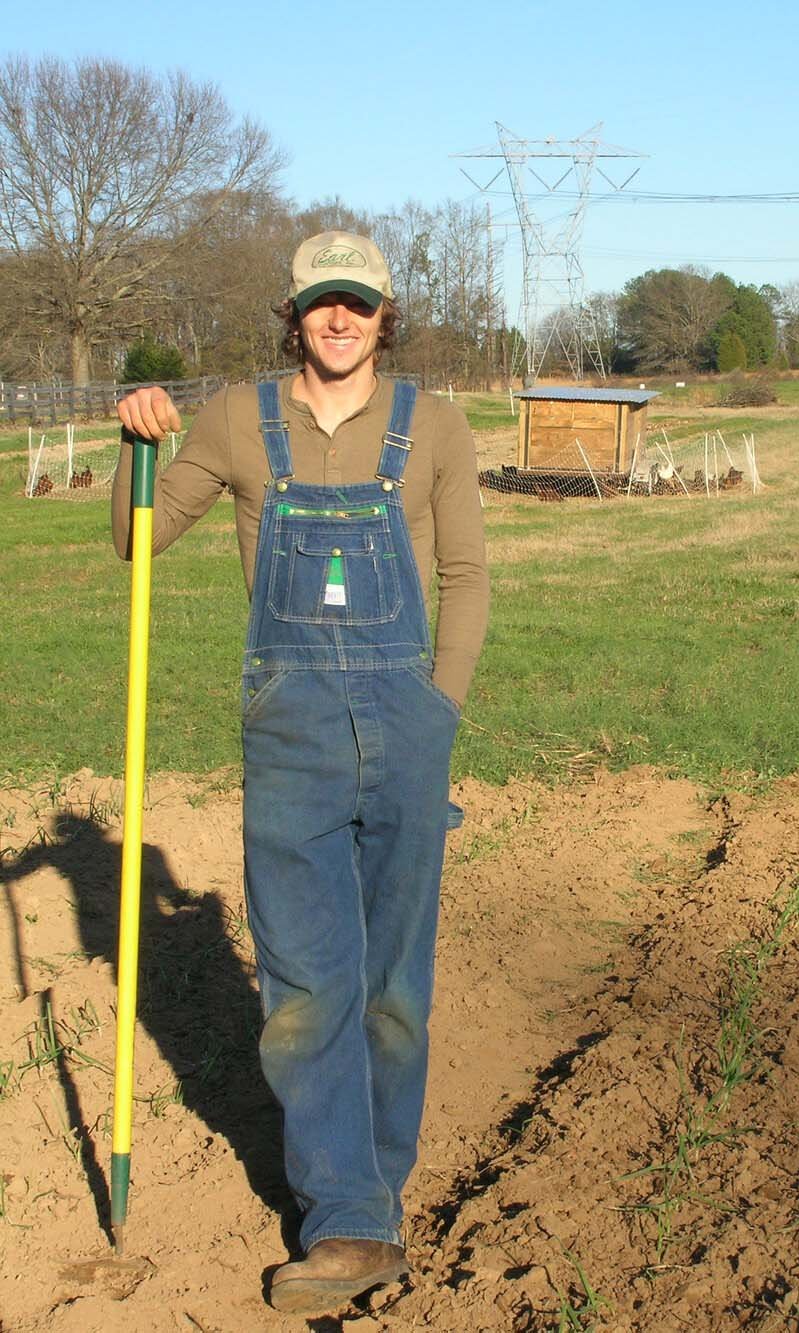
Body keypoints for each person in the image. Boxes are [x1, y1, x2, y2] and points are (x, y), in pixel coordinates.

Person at [113, 230, 489, 1315]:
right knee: (304, 989)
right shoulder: (238, 418)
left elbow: (464, 575)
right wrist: (140, 441)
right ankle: (349, 1221)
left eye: (358, 306)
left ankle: (372, 1185)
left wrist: (438, 708)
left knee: (391, 990)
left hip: (407, 723)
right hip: (289, 733)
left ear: (384, 316)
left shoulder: (436, 425)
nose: (339, 320)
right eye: (322, 303)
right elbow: (137, 541)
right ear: (295, 312)